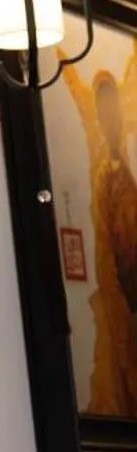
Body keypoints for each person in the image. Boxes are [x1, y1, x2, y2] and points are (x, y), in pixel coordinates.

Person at [75, 69, 137, 415]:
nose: (110, 113)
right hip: (115, 285)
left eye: (114, 105)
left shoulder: (126, 167)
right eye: (104, 107)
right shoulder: (102, 171)